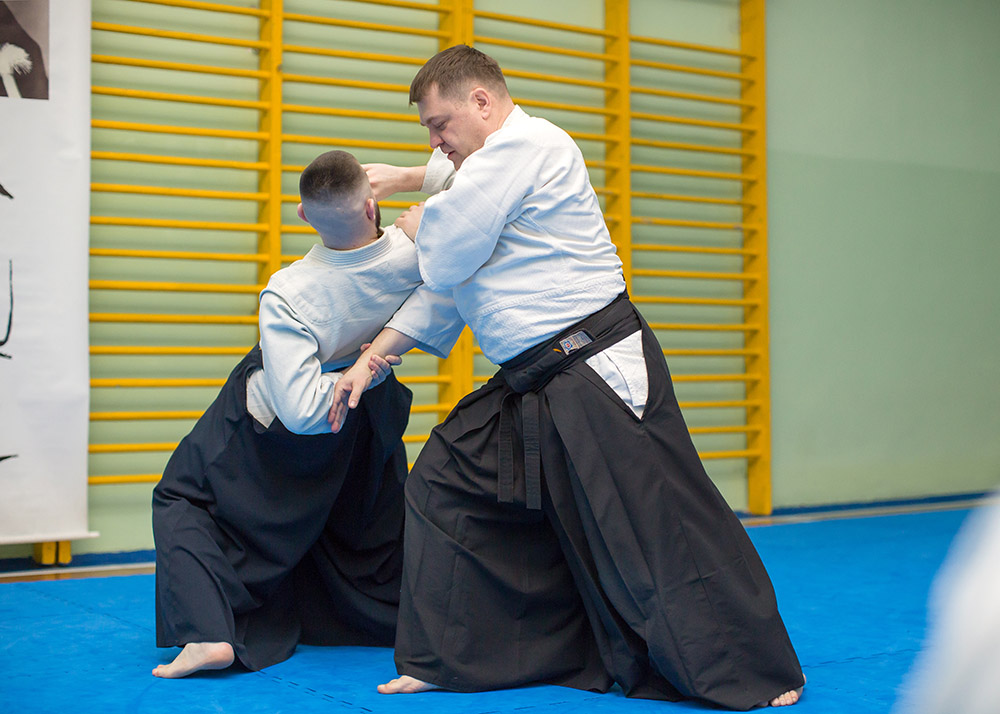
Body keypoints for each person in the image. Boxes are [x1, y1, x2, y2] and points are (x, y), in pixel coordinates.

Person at [330, 45, 805, 709]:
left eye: (439, 125)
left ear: (481, 102)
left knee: (659, 519)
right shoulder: (485, 174)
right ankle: (457, 657)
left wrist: (415, 216)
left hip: (595, 367)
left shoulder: (528, 147)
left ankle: (755, 667)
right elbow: (447, 289)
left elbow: (443, 252)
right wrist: (372, 358)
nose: (435, 141)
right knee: (446, 480)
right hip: (533, 380)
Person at [151, 150, 460, 678]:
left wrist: (356, 374)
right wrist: (413, 179)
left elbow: (298, 412)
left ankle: (207, 632)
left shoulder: (288, 291)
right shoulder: (420, 249)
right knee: (359, 518)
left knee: (180, 494)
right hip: (363, 415)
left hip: (288, 419)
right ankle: (418, 619)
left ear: (302, 215)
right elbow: (481, 177)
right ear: (372, 205)